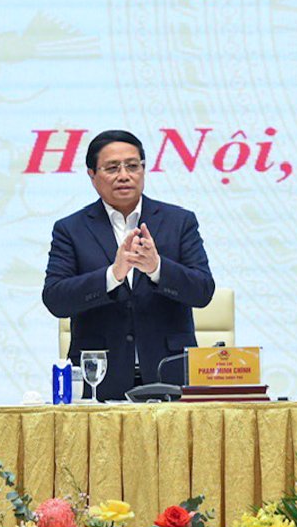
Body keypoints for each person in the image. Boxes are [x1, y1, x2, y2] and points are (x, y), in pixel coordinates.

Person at [42, 129, 216, 400]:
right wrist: (113, 275)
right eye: (112, 168)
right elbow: (55, 299)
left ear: (144, 170)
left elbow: (203, 291)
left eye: (133, 166)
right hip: (98, 380)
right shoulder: (70, 229)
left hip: (171, 377)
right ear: (92, 175)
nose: (124, 175)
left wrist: (157, 269)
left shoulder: (179, 222)